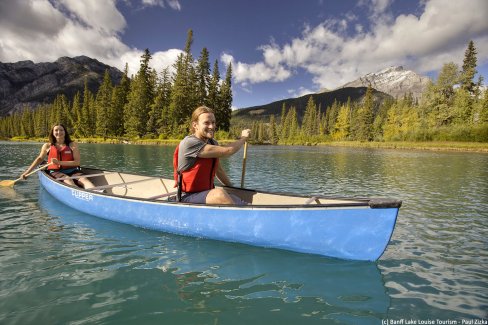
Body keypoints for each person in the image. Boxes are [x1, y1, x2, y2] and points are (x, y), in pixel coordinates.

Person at [173, 106, 251, 205]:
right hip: (187, 197)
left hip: (205, 194)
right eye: (206, 123)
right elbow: (228, 150)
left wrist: (234, 189)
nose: (211, 126)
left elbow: (219, 170)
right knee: (219, 194)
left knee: (241, 200)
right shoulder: (190, 143)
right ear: (195, 125)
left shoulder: (213, 142)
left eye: (213, 122)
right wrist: (243, 138)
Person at [21, 124, 96, 189]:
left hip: (73, 170)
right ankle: (79, 194)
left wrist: (58, 162)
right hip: (56, 172)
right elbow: (40, 159)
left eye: (61, 130)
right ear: (52, 133)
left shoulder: (72, 145)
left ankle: (97, 192)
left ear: (65, 132)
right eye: (56, 130)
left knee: (84, 180)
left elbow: (77, 162)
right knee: (68, 180)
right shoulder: (47, 146)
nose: (59, 132)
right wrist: (27, 172)